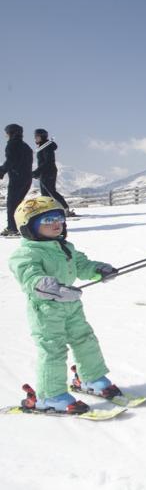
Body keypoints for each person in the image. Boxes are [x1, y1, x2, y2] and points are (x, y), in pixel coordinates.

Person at [8, 196, 120, 414]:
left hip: (71, 305)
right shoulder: (26, 253)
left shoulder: (64, 246)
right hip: (45, 310)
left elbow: (82, 265)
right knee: (52, 350)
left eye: (59, 217)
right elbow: (31, 279)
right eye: (48, 219)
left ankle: (90, 378)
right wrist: (54, 289)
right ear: (29, 227)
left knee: (85, 340)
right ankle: (51, 395)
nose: (56, 223)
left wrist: (99, 270)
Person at [0, 124, 33, 237]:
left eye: (7, 133)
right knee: (18, 204)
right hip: (27, 178)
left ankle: (12, 228)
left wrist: (2, 171)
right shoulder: (26, 146)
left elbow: (11, 161)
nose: (6, 135)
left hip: (17, 178)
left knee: (12, 204)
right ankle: (20, 225)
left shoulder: (12, 144)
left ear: (11, 133)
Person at [31, 128, 73, 217]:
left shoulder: (47, 147)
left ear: (42, 136)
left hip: (49, 171)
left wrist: (37, 171)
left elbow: (48, 162)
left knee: (51, 191)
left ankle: (65, 209)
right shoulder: (42, 146)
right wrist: (38, 172)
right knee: (45, 194)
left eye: (37, 136)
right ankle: (49, 210)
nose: (35, 138)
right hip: (44, 172)